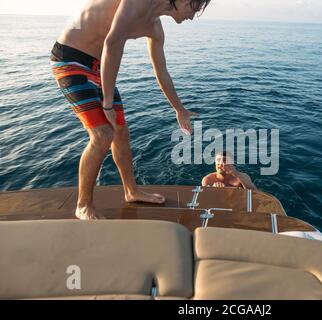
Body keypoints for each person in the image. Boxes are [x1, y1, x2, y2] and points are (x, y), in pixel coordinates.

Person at [50, 0, 211, 220]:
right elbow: (112, 42)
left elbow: (161, 71)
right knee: (103, 134)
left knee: (121, 133)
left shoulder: (155, 29)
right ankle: (83, 205)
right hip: (70, 59)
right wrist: (107, 103)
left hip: (98, 66)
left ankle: (131, 191)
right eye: (194, 8)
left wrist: (179, 109)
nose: (193, 16)